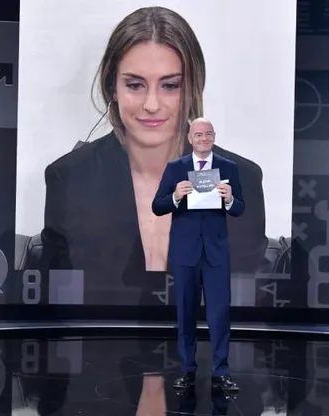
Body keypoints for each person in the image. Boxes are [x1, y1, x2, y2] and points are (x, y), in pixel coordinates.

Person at [36, 6, 268, 304]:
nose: (152, 104)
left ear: (191, 89)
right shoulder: (69, 179)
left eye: (170, 86)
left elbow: (247, 308)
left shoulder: (241, 179)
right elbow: (57, 307)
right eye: (135, 85)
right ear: (113, 87)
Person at [151, 117, 243, 393]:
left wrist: (230, 199)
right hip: (185, 253)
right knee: (186, 313)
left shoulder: (228, 167)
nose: (204, 138)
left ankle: (221, 372)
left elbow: (240, 208)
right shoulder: (175, 168)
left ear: (214, 137)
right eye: (198, 134)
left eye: (208, 134)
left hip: (216, 253)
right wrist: (176, 196)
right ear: (190, 138)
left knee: (219, 315)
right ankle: (188, 371)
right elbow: (157, 206)